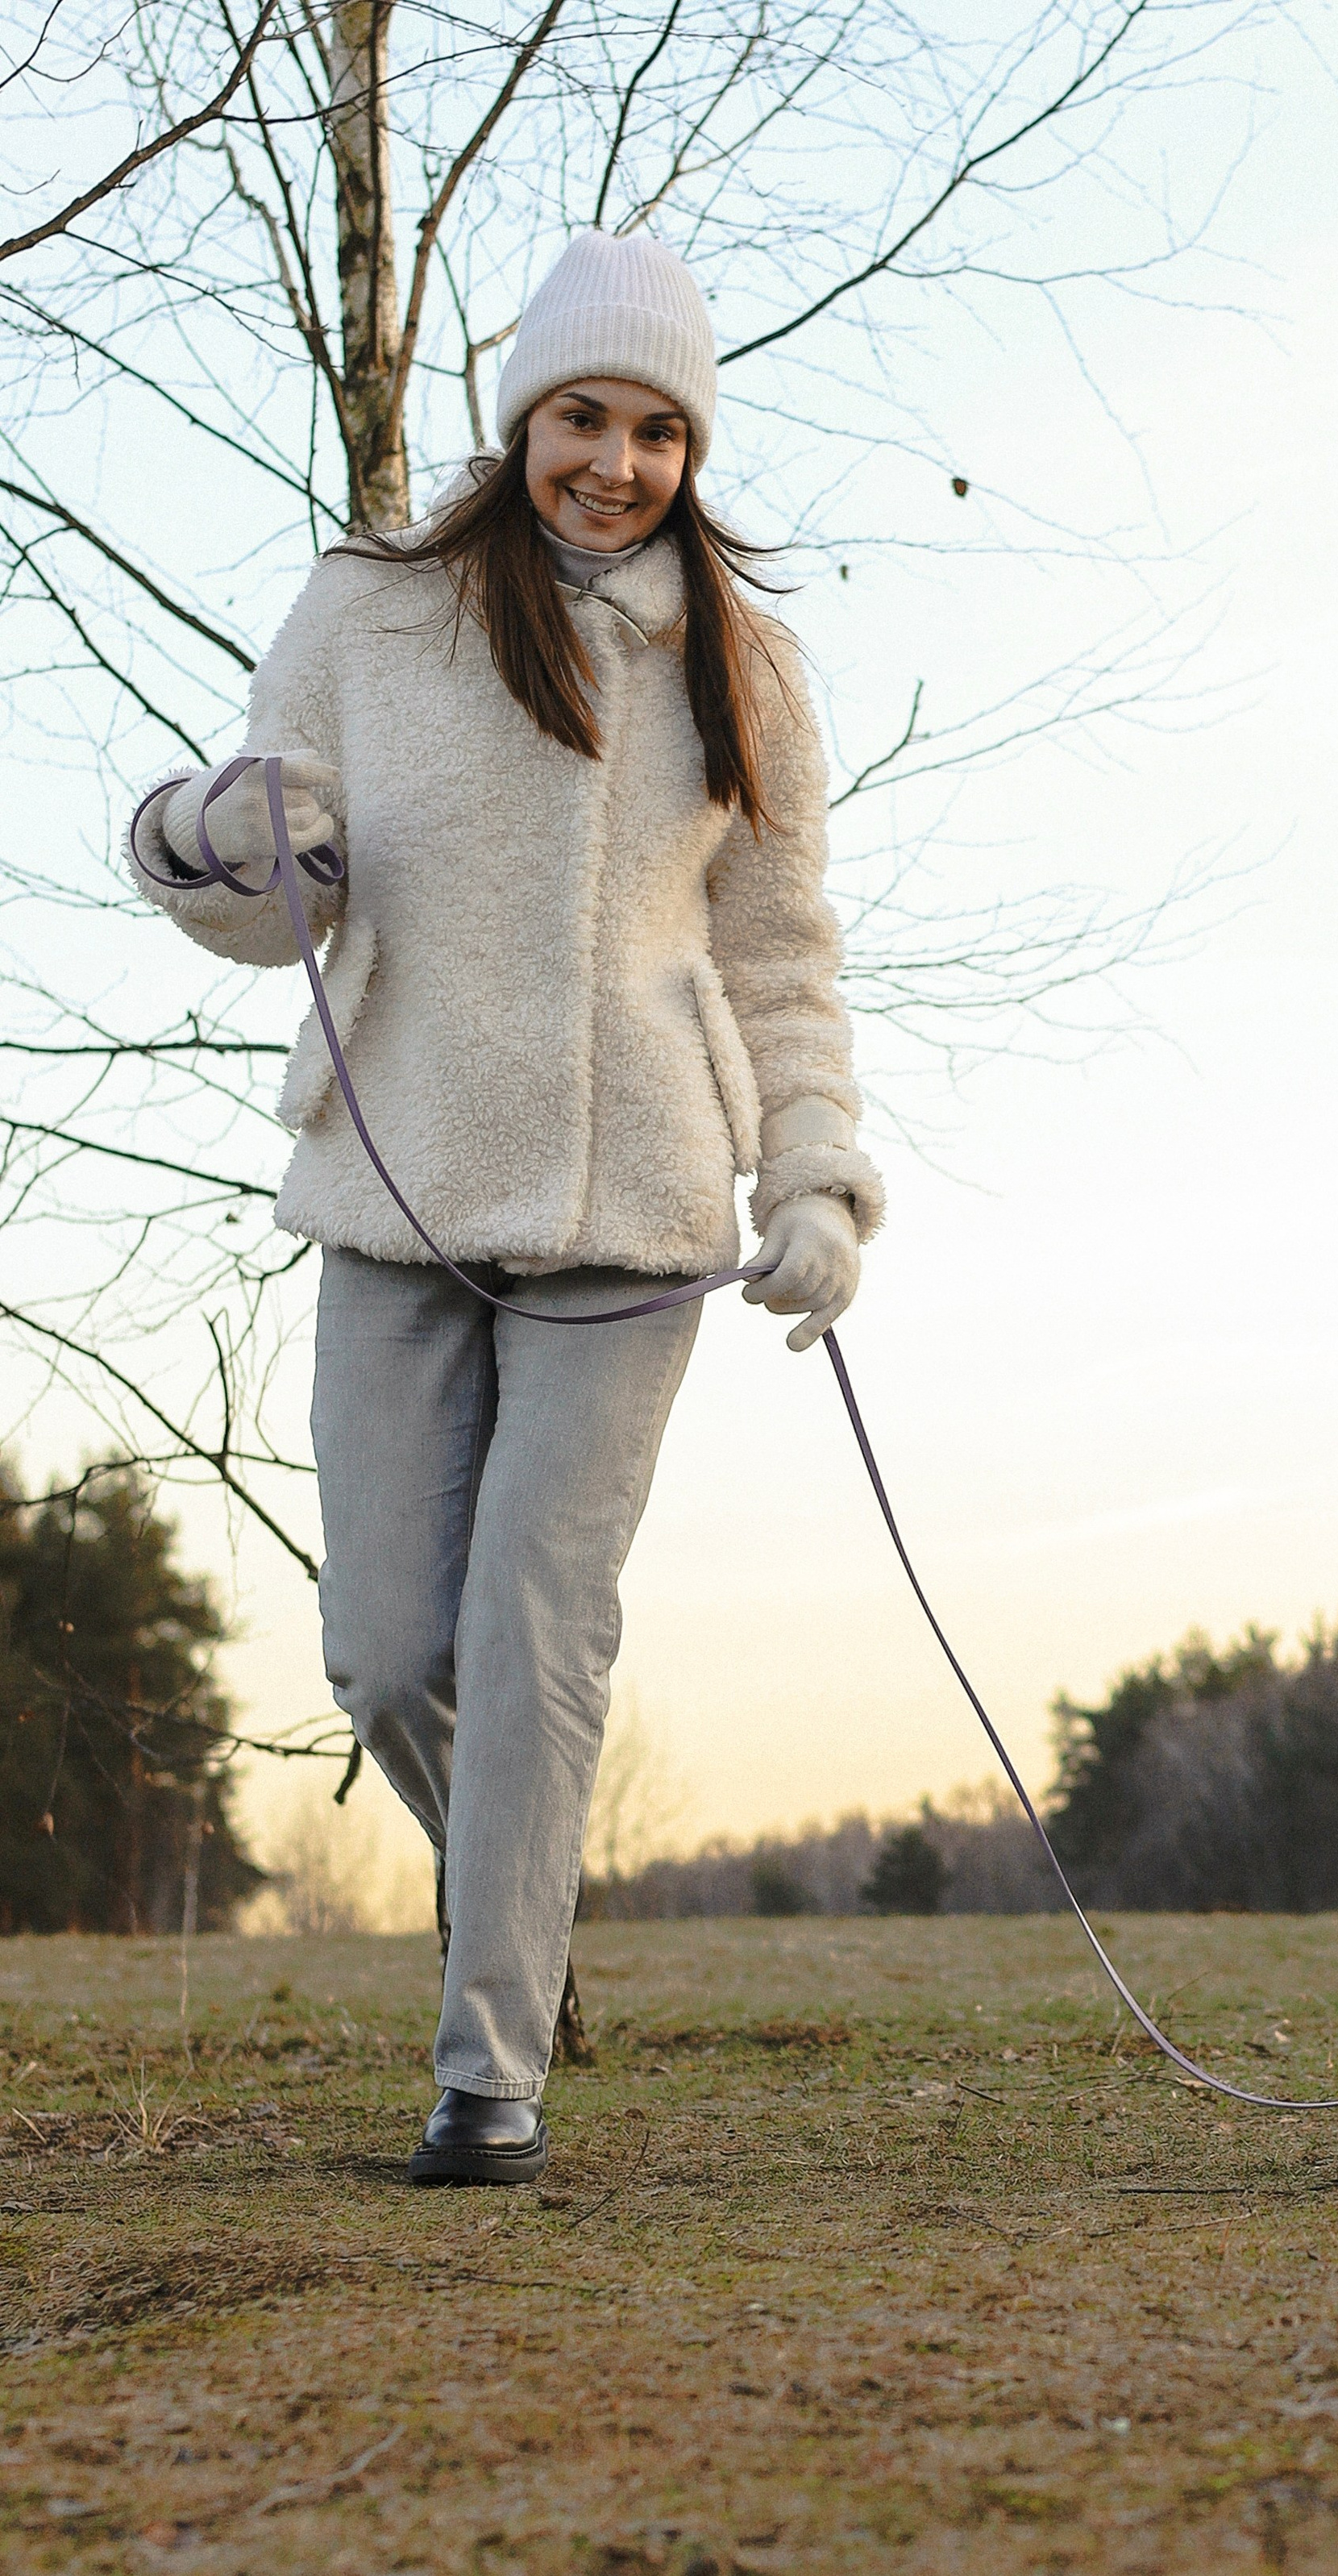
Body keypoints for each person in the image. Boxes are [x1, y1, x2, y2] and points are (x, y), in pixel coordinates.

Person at [127, 231, 884, 2187]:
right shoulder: (372, 609)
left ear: (687, 450)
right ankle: (515, 1914)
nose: (613, 461)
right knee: (388, 1647)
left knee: (539, 1627)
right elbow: (265, 869)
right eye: (581, 417)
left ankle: (490, 2073)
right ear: (518, 417)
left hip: (634, 1207)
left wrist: (812, 1173)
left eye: (653, 431)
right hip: (400, 1183)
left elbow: (784, 950)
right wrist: (196, 846)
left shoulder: (739, 657)